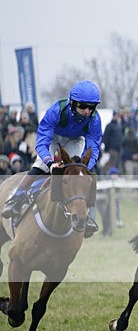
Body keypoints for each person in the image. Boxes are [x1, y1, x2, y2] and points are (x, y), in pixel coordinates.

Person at [1, 80, 103, 237]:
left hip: (75, 140)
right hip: (53, 138)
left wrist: (86, 166)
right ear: (72, 102)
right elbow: (42, 142)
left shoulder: (95, 120)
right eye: (83, 106)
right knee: (41, 165)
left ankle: (86, 215)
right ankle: (16, 199)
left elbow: (93, 147)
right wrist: (50, 162)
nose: (87, 111)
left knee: (82, 173)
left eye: (91, 107)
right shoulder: (56, 111)